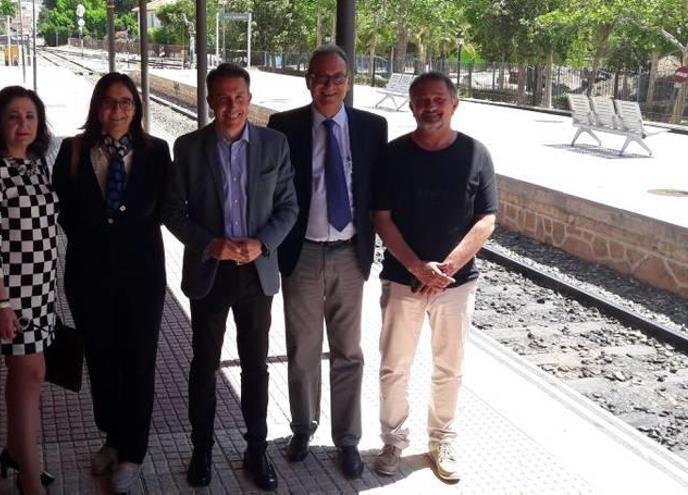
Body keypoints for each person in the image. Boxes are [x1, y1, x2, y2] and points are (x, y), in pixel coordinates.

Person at [162, 63, 298, 491]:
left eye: (238, 97)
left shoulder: (275, 145)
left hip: (256, 273)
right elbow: (173, 211)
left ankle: (256, 449)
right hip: (210, 272)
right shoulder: (187, 147)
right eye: (222, 98)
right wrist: (209, 244)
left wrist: (263, 243)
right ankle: (201, 450)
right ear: (209, 102)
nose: (231, 106)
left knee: (255, 366)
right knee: (204, 364)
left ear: (250, 98)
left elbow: (288, 207)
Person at [267, 44, 387, 479]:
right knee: (300, 349)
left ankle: (349, 439)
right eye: (320, 77)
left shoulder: (373, 127)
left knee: (348, 351)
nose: (329, 85)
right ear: (308, 81)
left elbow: (377, 192)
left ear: (349, 81)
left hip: (349, 255)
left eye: (337, 77)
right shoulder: (284, 126)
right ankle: (302, 428)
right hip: (301, 253)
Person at [371, 71, 497, 482]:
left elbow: (486, 220)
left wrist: (446, 270)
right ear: (411, 107)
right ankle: (393, 440)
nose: (430, 106)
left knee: (450, 366)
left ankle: (442, 440)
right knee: (395, 366)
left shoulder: (477, 153)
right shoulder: (392, 155)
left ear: (454, 103)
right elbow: (382, 219)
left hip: (456, 285)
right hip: (401, 278)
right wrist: (415, 266)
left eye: (438, 99)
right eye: (422, 100)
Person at [52, 73, 171, 493]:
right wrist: (96, 236)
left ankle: (133, 452)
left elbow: (167, 207)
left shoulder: (156, 152)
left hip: (142, 276)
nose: (117, 110)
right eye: (109, 102)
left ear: (137, 108)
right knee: (101, 360)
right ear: (96, 107)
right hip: (88, 275)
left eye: (126, 102)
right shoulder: (72, 149)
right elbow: (61, 206)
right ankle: (112, 436)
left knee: (138, 361)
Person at [0, 86, 58, 495]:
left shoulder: (37, 164)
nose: (23, 125)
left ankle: (14, 451)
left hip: (42, 286)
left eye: (30, 117)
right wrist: (0, 301)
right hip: (12, 291)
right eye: (13, 116)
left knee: (25, 377)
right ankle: (28, 477)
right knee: (31, 374)